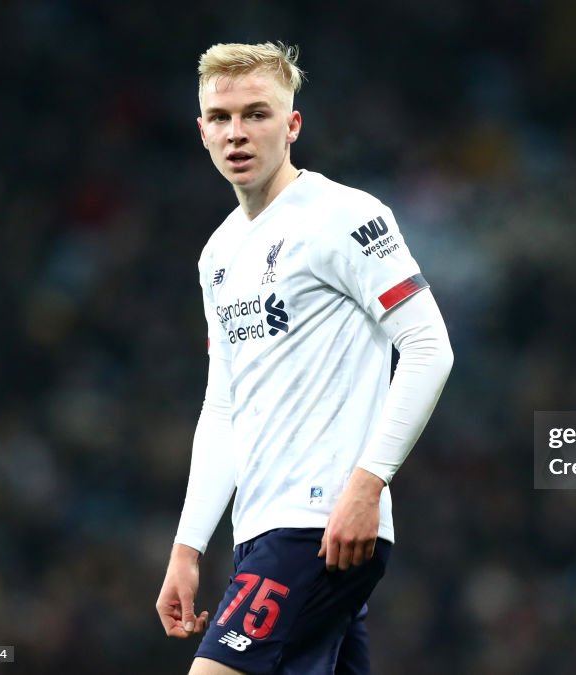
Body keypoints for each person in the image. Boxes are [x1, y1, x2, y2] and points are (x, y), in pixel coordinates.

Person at [154, 42, 454, 674]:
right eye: (221, 117)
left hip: (318, 523)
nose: (237, 133)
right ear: (202, 130)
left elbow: (428, 346)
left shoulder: (344, 216)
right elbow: (224, 405)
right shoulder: (218, 255)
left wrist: (367, 485)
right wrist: (187, 547)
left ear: (292, 125)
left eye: (257, 114)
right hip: (260, 530)